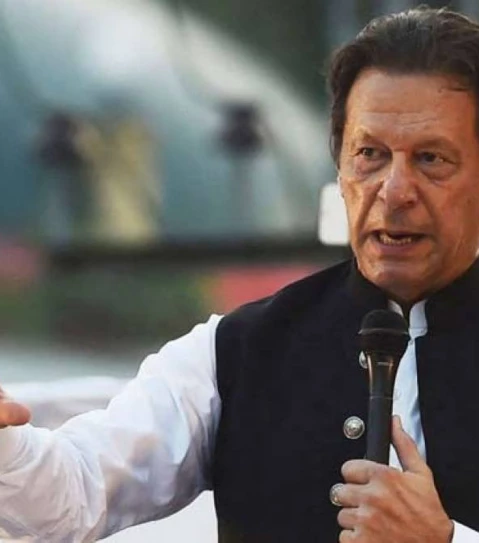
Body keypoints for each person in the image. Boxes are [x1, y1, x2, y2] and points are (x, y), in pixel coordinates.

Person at [2, 5, 479, 542]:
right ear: (340, 169)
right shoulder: (237, 350)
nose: (394, 191)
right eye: (370, 154)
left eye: (431, 159)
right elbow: (76, 491)